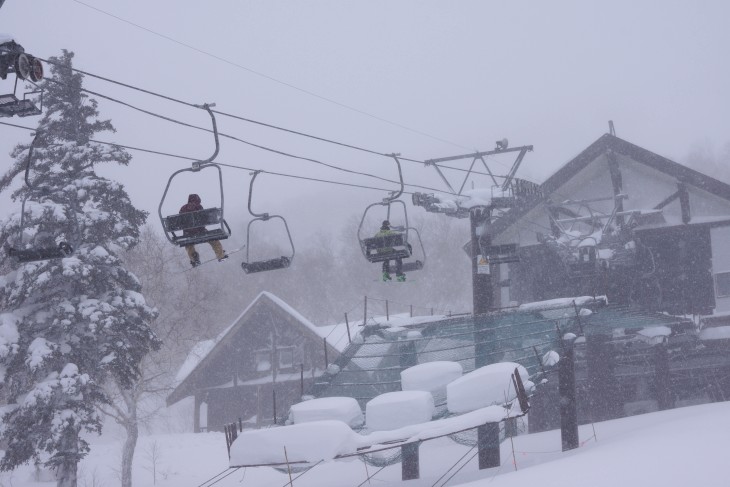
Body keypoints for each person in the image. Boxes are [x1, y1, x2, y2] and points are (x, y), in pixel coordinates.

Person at [180, 193, 228, 267]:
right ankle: (220, 255)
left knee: (188, 245)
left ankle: (194, 258)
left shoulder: (183, 208)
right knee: (214, 240)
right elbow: (203, 219)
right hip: (201, 231)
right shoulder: (199, 207)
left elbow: (181, 222)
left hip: (188, 233)